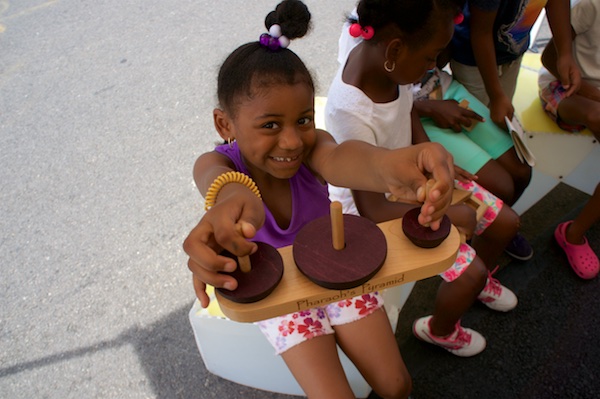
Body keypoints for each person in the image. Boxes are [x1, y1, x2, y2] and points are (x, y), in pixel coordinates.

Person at [182, 1, 457, 397]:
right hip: (279, 297)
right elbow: (221, 183)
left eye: (303, 120)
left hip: (338, 267)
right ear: (225, 124)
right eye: (270, 125)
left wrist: (396, 162)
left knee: (397, 385)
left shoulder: (312, 149)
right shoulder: (218, 165)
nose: (293, 140)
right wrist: (229, 201)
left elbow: (343, 157)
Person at [325, 0, 520, 357]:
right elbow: (372, 209)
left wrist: (432, 156)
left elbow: (407, 108)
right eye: (431, 58)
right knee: (468, 273)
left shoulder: (388, 63)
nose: (434, 66)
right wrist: (445, 216)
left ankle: (475, 284)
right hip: (378, 208)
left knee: (506, 222)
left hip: (411, 180)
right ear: (396, 50)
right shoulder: (348, 109)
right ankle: (441, 329)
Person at [449, 0, 581, 259]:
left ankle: (495, 226)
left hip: (512, 54)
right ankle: (476, 231)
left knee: (511, 155)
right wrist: (496, 94)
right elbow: (480, 32)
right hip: (473, 60)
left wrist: (565, 53)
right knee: (482, 153)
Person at [537, 0, 599, 279]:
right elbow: (549, 59)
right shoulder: (591, 6)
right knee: (598, 115)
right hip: (562, 87)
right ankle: (571, 234)